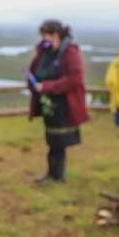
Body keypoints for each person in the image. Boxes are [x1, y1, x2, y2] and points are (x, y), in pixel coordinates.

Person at [27, 20, 89, 183]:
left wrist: (48, 86)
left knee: (58, 142)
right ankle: (52, 174)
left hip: (64, 105)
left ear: (55, 35)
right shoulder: (44, 52)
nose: (43, 40)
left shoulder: (70, 53)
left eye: (45, 36)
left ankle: (56, 175)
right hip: (49, 104)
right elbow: (35, 70)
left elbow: (75, 79)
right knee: (52, 140)